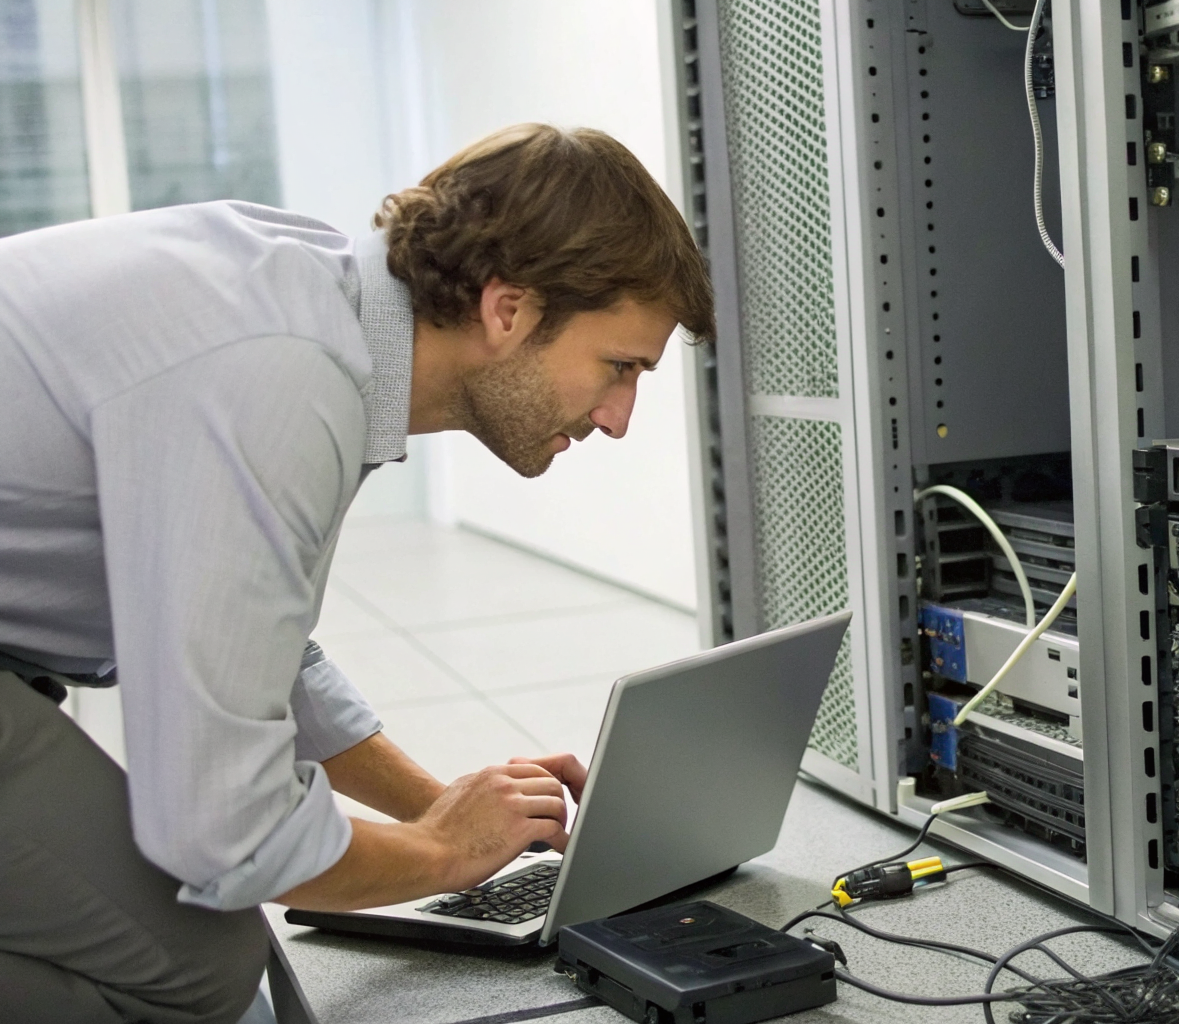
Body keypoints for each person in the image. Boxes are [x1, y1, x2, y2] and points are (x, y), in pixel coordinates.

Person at [0, 123, 714, 1023]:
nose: (619, 418)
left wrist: (441, 809)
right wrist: (441, 857)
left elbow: (261, 644)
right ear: (509, 310)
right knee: (194, 967)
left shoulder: (320, 321)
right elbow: (221, 832)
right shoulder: (278, 379)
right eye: (619, 367)